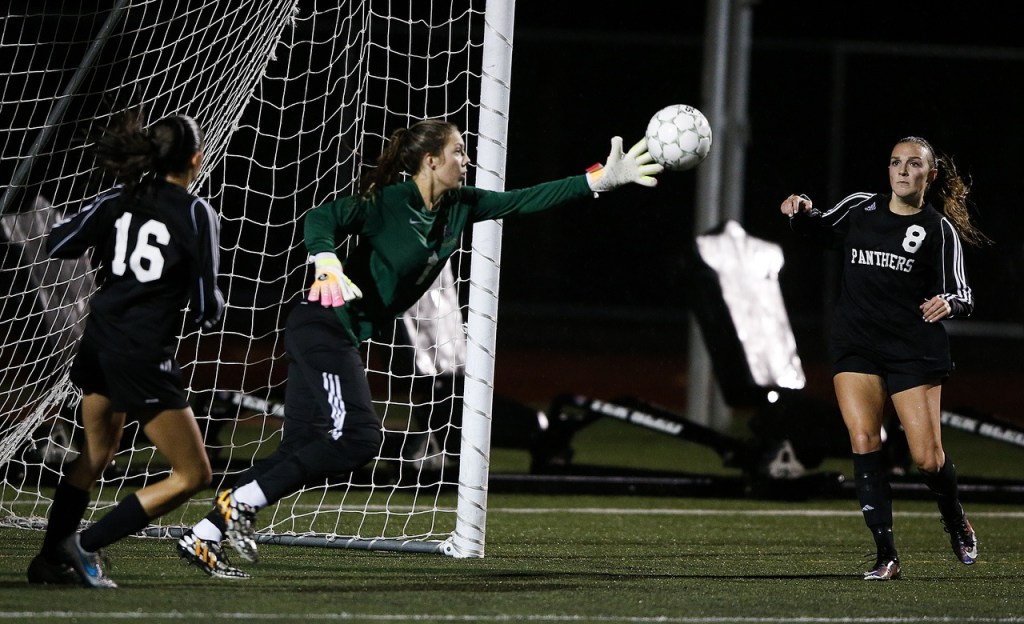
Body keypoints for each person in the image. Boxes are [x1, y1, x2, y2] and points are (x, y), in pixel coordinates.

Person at [177, 119, 663, 578]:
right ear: (430, 161)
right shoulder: (387, 202)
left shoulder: (460, 205)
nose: (466, 160)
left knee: (301, 450)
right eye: (458, 152)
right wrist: (326, 261)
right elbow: (323, 217)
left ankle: (204, 533)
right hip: (321, 327)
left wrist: (598, 180)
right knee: (360, 439)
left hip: (339, 334)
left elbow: (524, 200)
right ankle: (237, 505)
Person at [27, 108, 225, 588]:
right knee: (193, 474)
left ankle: (48, 559)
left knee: (97, 452)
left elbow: (58, 242)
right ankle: (84, 545)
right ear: (196, 159)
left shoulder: (116, 198)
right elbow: (205, 308)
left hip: (97, 343)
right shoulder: (197, 213)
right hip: (141, 354)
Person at [780, 136, 989, 581]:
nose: (901, 170)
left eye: (913, 164)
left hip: (912, 350)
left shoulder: (938, 230)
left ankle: (954, 517)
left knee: (928, 459)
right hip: (856, 344)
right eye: (895, 162)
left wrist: (950, 303)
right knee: (863, 438)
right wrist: (800, 210)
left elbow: (963, 293)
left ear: (929, 177)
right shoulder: (861, 207)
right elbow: (818, 227)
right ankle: (886, 555)